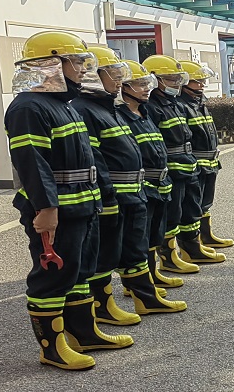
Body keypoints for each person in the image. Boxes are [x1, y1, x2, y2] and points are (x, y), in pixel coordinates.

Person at [5, 31, 133, 372]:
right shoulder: (29, 107)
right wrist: (46, 209)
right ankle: (52, 348)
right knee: (53, 278)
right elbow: (32, 163)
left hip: (82, 205)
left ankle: (84, 334)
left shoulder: (62, 104)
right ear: (51, 63)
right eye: (75, 62)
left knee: (80, 272)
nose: (81, 69)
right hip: (57, 211)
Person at [81, 47, 186, 319]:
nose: (118, 81)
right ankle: (104, 306)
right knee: (106, 254)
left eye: (120, 76)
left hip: (135, 193)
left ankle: (145, 297)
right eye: (113, 75)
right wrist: (108, 198)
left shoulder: (107, 108)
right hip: (116, 196)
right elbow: (96, 160)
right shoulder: (87, 110)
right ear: (94, 76)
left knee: (135, 247)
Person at [141, 55, 221, 273]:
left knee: (191, 208)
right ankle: (169, 257)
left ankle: (192, 247)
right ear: (155, 80)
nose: (176, 84)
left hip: (188, 166)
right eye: (171, 79)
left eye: (178, 79)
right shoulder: (152, 107)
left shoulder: (173, 103)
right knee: (171, 216)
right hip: (172, 170)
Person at [118, 60, 188, 294]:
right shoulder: (121, 115)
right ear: (124, 87)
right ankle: (135, 284)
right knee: (138, 238)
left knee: (153, 234)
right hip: (141, 186)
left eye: (146, 83)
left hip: (159, 184)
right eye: (139, 84)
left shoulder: (145, 111)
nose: (146, 88)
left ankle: (152, 273)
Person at [180, 60, 234, 252]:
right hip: (196, 164)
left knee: (205, 202)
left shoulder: (200, 103)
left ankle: (206, 236)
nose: (201, 84)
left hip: (210, 162)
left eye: (203, 80)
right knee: (192, 206)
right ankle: (192, 244)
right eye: (197, 81)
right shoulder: (182, 105)